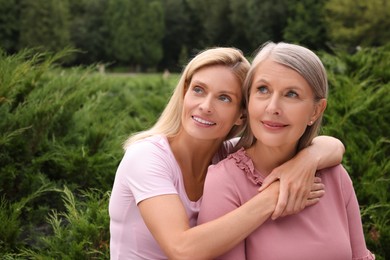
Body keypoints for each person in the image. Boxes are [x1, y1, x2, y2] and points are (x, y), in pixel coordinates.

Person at [109, 47, 345, 260]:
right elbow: (182, 250)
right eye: (199, 90)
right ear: (184, 95)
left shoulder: (230, 156)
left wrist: (305, 161)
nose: (206, 106)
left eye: (224, 98)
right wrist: (275, 194)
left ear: (242, 114)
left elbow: (332, 146)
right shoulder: (146, 157)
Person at [198, 42, 375, 259]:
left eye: (291, 94)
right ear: (249, 100)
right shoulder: (224, 181)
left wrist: (309, 159)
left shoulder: (335, 176)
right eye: (263, 90)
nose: (273, 107)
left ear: (316, 111)